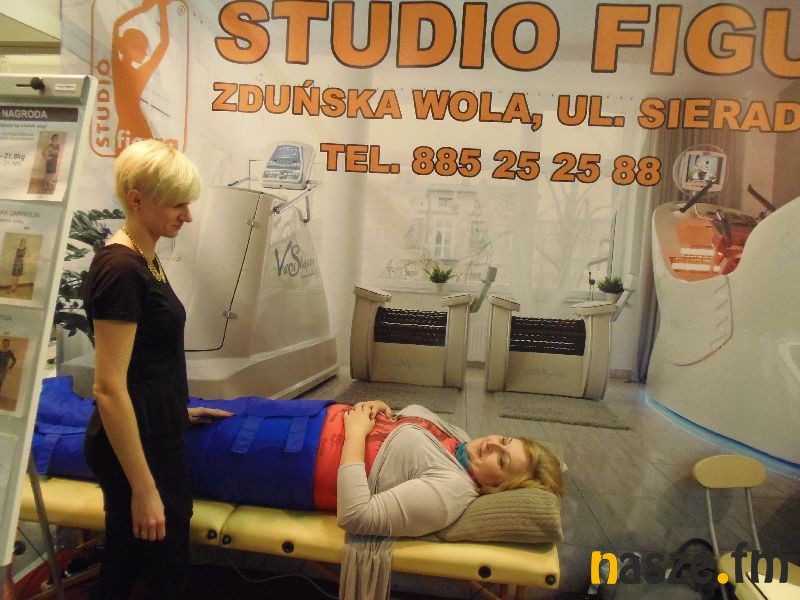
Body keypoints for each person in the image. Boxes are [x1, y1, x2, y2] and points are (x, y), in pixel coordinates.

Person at [82, 139, 231, 600]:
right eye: (177, 204)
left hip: (153, 428)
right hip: (137, 450)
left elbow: (143, 366)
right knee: (165, 572)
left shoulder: (145, 257)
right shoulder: (121, 269)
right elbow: (108, 388)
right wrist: (144, 489)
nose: (187, 216)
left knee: (125, 565)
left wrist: (172, 411)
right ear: (136, 198)